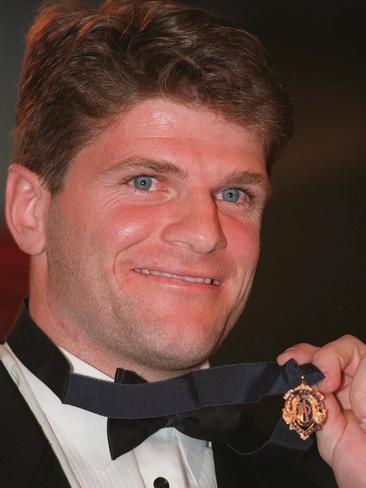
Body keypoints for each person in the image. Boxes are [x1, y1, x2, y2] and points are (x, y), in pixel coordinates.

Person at [1, 0, 365, 487]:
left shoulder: (320, 466)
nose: (205, 232)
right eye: (145, 182)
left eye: (233, 194)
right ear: (31, 209)